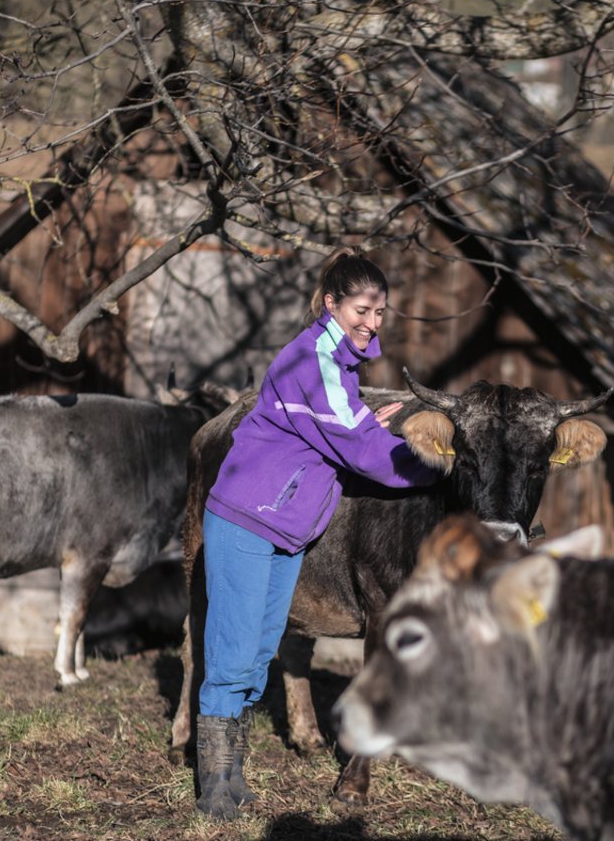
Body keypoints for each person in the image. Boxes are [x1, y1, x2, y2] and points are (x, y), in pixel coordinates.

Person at [194, 248, 444, 820]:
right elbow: (363, 452)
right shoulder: (313, 359)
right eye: (362, 309)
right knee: (233, 656)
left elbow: (338, 425)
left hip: (285, 526)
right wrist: (440, 462)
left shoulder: (338, 368)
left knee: (258, 653)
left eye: (380, 312)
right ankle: (214, 787)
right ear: (331, 304)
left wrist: (361, 419)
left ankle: (231, 773)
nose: (372, 323)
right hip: (246, 518)